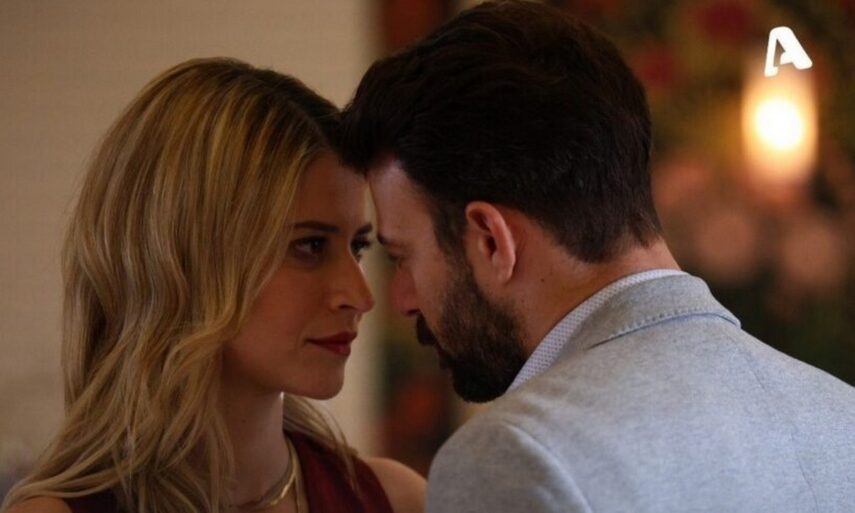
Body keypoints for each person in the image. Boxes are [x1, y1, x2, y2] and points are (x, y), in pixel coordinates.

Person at [339, 1, 855, 512]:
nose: (400, 299)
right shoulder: (841, 416)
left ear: (491, 240)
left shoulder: (516, 456)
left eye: (401, 256)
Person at [2, 58, 425, 513]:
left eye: (358, 247)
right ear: (189, 259)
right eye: (310, 246)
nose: (360, 297)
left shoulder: (396, 500)